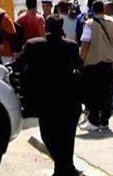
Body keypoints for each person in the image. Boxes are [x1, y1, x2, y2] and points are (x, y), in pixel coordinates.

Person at [12, 14, 82, 176]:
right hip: (68, 98)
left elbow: (18, 65)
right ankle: (65, 167)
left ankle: (63, 167)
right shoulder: (71, 46)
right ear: (62, 28)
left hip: (44, 99)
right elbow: (79, 65)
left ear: (45, 28)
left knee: (49, 135)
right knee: (67, 136)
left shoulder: (33, 45)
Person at [80, 0, 113, 132]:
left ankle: (93, 121)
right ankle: (105, 121)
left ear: (91, 10)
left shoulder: (89, 24)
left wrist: (81, 60)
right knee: (107, 93)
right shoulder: (112, 22)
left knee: (93, 93)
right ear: (103, 9)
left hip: (93, 63)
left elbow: (85, 43)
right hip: (108, 62)